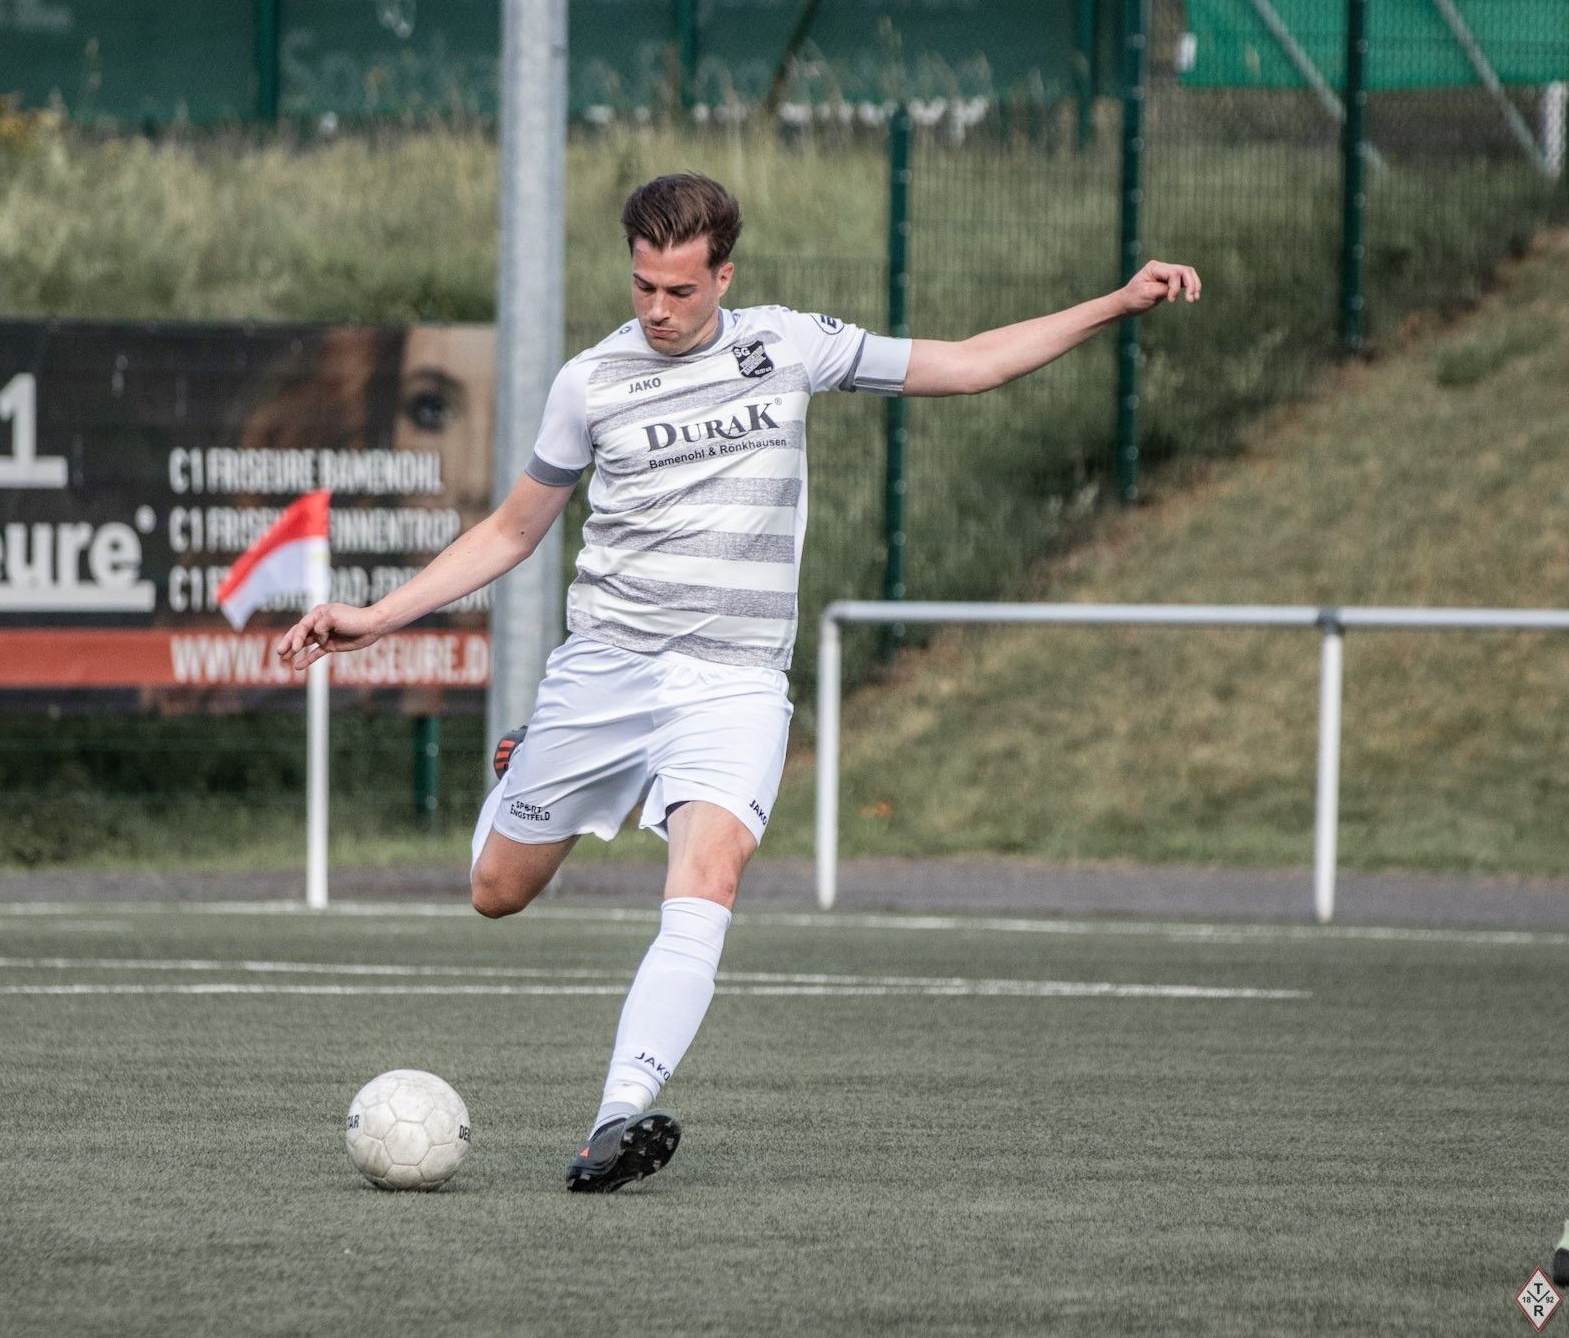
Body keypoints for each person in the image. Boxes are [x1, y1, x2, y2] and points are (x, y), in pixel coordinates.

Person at [278, 172, 1199, 1191]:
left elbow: (971, 363)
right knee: (496, 893)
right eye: (642, 287)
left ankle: (614, 1119)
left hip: (735, 682)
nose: (658, 310)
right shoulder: (589, 382)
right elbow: (511, 530)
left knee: (709, 875)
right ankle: (522, 770)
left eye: (680, 290)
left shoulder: (789, 344)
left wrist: (1116, 303)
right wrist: (375, 617)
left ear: (724, 275)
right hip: (607, 670)